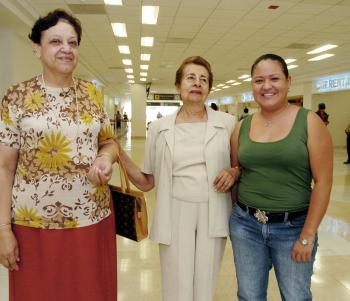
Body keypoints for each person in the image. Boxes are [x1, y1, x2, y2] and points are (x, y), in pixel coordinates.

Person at [0, 9, 118, 301]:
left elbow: (109, 142)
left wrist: (105, 158)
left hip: (91, 218)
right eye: (55, 41)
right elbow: (4, 168)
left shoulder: (92, 94)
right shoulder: (17, 97)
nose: (66, 48)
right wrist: (3, 228)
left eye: (73, 42)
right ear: (37, 48)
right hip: (33, 223)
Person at [117, 56, 238, 301]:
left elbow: (239, 166)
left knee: (206, 281)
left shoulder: (228, 124)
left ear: (209, 88)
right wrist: (119, 153)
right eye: (191, 78)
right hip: (174, 209)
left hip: (213, 208)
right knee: (176, 282)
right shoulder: (159, 128)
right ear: (178, 86)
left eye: (204, 79)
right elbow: (147, 180)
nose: (197, 83)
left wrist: (234, 172)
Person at [229, 53, 333, 300]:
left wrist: (307, 235)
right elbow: (237, 170)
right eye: (258, 80)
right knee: (249, 295)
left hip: (293, 228)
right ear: (252, 86)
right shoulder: (241, 126)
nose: (266, 86)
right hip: (246, 226)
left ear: (288, 81)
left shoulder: (309, 122)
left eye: (274, 78)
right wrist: (238, 212)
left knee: (296, 296)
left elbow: (324, 182)